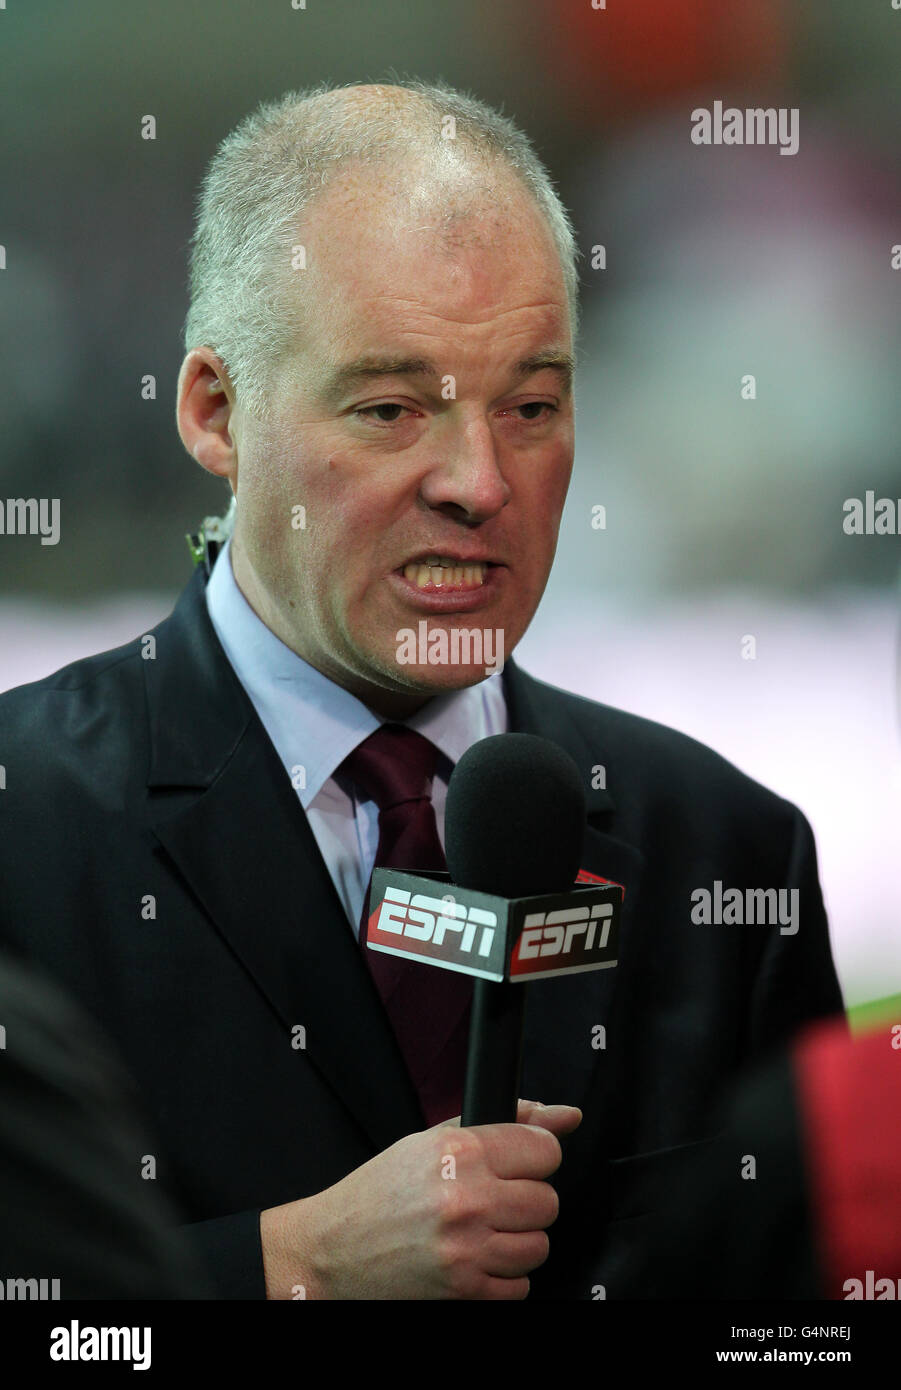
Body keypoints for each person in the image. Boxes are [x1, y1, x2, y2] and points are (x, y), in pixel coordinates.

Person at [0, 79, 844, 1300]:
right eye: (392, 408)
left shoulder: (726, 849)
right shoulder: (24, 834)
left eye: (532, 406)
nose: (478, 480)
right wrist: (290, 1269)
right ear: (215, 412)